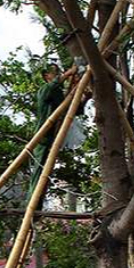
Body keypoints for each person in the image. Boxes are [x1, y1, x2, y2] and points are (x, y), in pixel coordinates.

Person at [30, 63, 78, 204]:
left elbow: (72, 108)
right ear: (46, 76)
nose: (57, 74)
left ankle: (36, 205)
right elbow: (52, 87)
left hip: (54, 136)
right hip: (44, 135)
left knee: (46, 173)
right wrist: (70, 73)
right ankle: (32, 205)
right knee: (39, 172)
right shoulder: (44, 90)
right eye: (53, 73)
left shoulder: (59, 94)